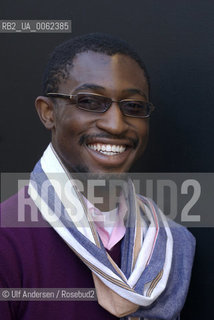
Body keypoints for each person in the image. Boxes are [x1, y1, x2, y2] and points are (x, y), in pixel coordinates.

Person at [0, 33, 195, 320]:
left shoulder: (173, 244)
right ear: (48, 113)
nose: (116, 124)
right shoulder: (8, 241)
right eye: (90, 101)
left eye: (133, 106)